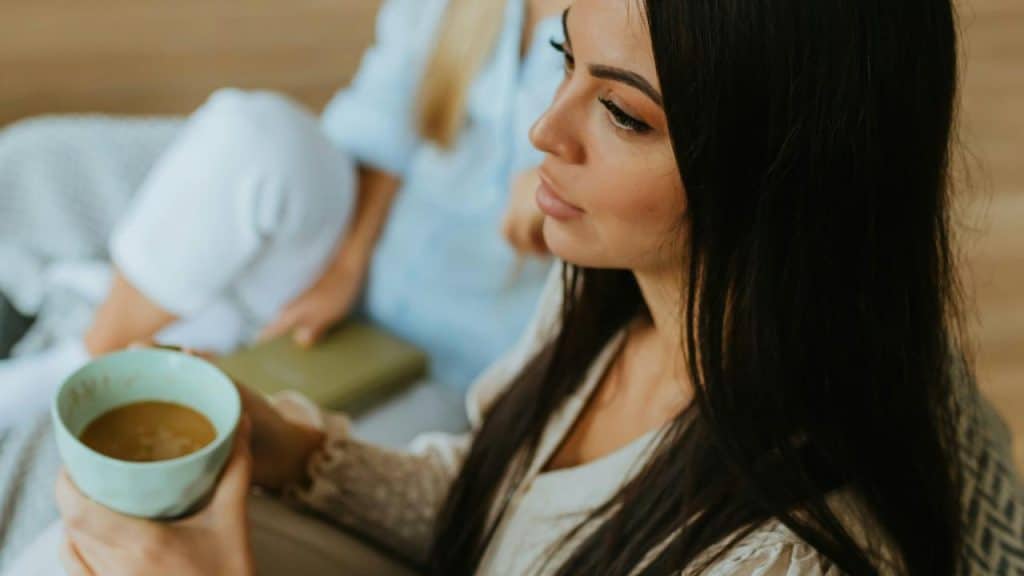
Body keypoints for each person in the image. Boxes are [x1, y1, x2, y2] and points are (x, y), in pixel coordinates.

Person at [12, 0, 994, 573]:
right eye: (567, 62)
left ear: (782, 177)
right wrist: (290, 447)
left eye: (619, 113)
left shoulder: (778, 556)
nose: (541, 134)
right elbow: (484, 501)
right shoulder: (605, 305)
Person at [0, 0, 567, 567]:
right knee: (257, 132)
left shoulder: (635, 35)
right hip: (346, 270)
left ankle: (221, 328)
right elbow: (386, 117)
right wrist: (346, 265)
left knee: (264, 487)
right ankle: (81, 357)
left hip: (457, 369)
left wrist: (562, 199)